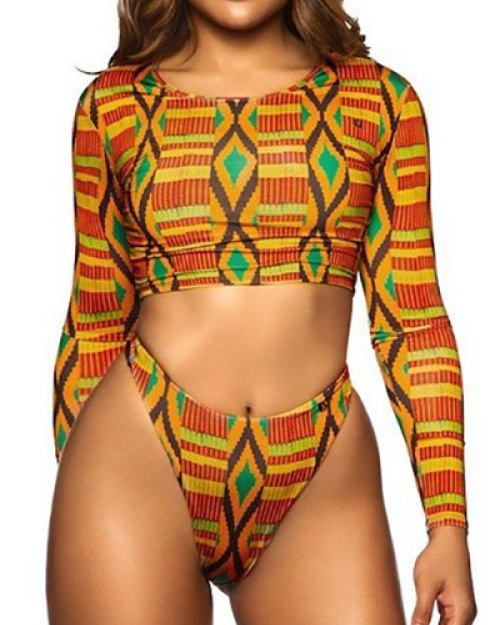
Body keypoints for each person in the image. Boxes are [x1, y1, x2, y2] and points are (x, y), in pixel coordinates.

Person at [46, 1, 477, 624]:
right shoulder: (112, 106)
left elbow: (413, 324)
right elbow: (93, 321)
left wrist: (448, 523)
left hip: (322, 473)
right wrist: (78, 497)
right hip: (136, 457)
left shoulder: (380, 103)